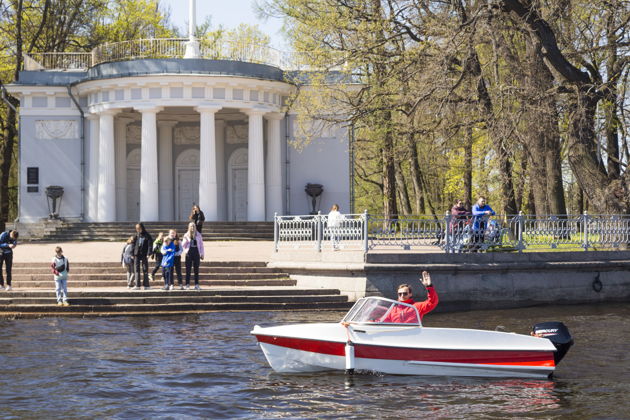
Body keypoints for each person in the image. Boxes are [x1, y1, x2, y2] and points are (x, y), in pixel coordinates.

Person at [182, 222, 204, 290]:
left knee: (196, 269)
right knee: (188, 269)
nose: (192, 228)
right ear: (189, 227)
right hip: (189, 252)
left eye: (193, 226)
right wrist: (187, 240)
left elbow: (201, 245)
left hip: (196, 252)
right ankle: (187, 284)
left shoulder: (198, 235)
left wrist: (202, 253)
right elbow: (183, 245)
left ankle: (196, 284)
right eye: (191, 226)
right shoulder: (186, 235)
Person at [132, 223, 153, 290]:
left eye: (138, 228)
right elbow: (133, 245)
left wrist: (149, 253)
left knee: (145, 269)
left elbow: (150, 245)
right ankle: (137, 285)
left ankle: (146, 285)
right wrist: (132, 253)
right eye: (136, 229)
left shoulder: (147, 236)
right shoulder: (136, 235)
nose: (137, 230)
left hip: (144, 254)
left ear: (142, 228)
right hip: (137, 254)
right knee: (136, 269)